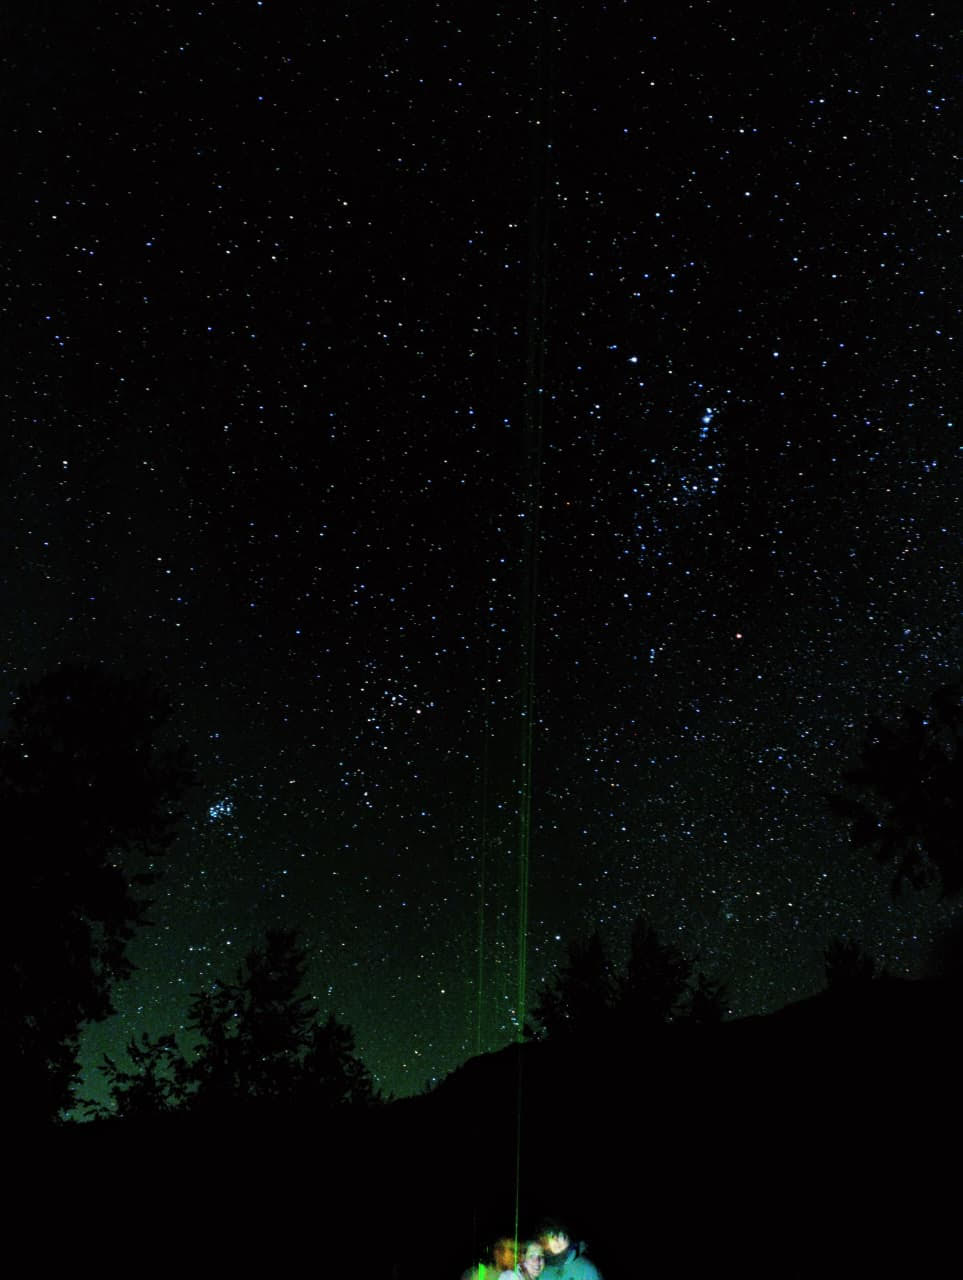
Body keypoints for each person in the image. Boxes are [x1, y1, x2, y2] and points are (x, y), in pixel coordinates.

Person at [536, 1220, 602, 1280]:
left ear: (568, 1238)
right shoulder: (541, 1271)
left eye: (560, 1235)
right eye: (552, 1236)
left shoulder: (587, 1268)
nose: (556, 1240)